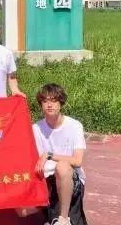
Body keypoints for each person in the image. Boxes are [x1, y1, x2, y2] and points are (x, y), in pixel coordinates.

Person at [33, 84, 88, 225]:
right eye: (45, 101)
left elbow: (77, 161)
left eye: (53, 100)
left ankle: (63, 219)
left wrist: (49, 155)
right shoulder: (35, 128)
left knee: (62, 167)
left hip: (69, 177)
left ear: (61, 103)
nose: (49, 105)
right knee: (22, 210)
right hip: (46, 179)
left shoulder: (74, 126)